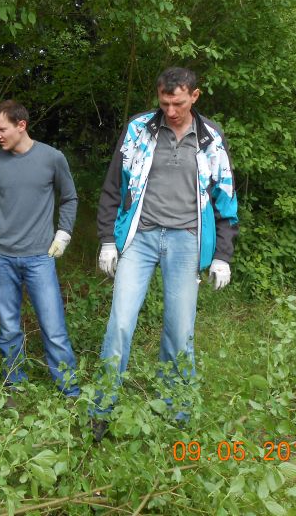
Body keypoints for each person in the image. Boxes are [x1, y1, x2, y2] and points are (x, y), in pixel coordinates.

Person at [94, 67, 238, 440]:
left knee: (179, 329)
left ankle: (177, 411)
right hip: (140, 238)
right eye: (164, 101)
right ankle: (102, 408)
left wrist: (223, 254)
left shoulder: (210, 138)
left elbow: (225, 196)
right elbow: (115, 184)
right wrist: (108, 239)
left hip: (186, 240)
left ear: (195, 96)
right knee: (120, 323)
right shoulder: (139, 129)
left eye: (178, 102)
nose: (170, 110)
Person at [0, 100, 80, 400]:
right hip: (1, 257)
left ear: (21, 125)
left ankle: (69, 389)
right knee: (9, 327)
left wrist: (63, 233)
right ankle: (14, 383)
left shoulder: (52, 158)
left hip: (40, 257)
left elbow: (70, 198)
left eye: (2, 129)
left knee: (53, 327)